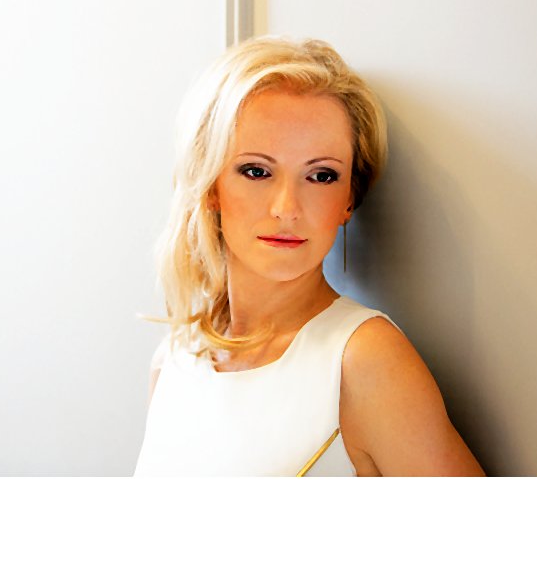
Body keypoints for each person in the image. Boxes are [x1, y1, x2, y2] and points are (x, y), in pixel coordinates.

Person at [134, 36, 484, 476]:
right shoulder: (174, 360)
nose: (287, 208)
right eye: (257, 171)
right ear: (210, 187)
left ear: (349, 199)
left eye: (321, 176)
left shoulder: (364, 360)